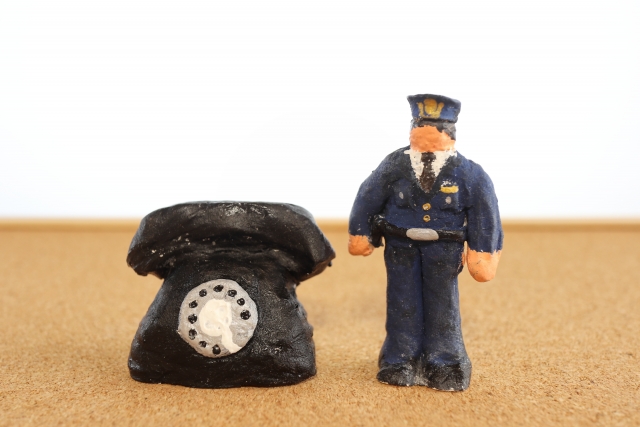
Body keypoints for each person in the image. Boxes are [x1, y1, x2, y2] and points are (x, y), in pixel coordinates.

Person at [348, 94, 503, 391]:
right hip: (400, 249)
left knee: (442, 306)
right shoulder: (394, 165)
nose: (428, 133)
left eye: (438, 128)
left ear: (451, 133)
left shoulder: (470, 174)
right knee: (401, 302)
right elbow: (368, 196)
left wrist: (483, 253)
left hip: (443, 251)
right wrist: (360, 233)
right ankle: (400, 359)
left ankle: (445, 362)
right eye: (420, 126)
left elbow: (485, 213)